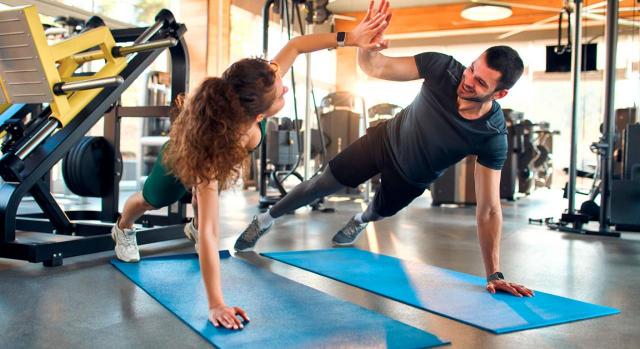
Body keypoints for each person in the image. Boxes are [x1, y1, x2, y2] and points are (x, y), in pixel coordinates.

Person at [110, 9, 392, 330]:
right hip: (181, 157)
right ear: (259, 114)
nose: (284, 89)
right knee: (151, 200)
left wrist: (351, 39)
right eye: (279, 92)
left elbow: (297, 45)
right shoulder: (212, 148)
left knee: (203, 207)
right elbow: (211, 234)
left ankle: (192, 215)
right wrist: (217, 303)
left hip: (215, 157)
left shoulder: (259, 86)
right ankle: (122, 227)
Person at [234, 0, 534, 298]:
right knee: (321, 183)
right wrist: (368, 46)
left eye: (480, 82)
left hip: (413, 178)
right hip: (384, 141)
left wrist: (494, 273)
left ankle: (360, 221)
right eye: (471, 69)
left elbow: (490, 207)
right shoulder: (440, 67)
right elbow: (374, 67)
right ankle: (264, 220)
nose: (467, 80)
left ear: (500, 93)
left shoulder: (492, 134)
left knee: (379, 211)